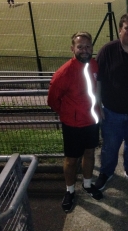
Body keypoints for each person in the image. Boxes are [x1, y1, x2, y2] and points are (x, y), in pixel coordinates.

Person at [47, 32, 103, 213]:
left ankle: (87, 184)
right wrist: (70, 114)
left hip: (92, 122)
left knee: (90, 153)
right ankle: (70, 191)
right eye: (80, 47)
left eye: (88, 46)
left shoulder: (94, 65)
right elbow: (52, 101)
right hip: (72, 125)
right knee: (71, 160)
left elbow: (96, 90)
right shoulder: (63, 73)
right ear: (72, 48)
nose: (84, 50)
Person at [95, 13, 128, 191]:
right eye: (127, 28)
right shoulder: (107, 51)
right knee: (110, 147)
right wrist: (97, 104)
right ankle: (106, 172)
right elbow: (98, 81)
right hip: (112, 112)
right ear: (120, 30)